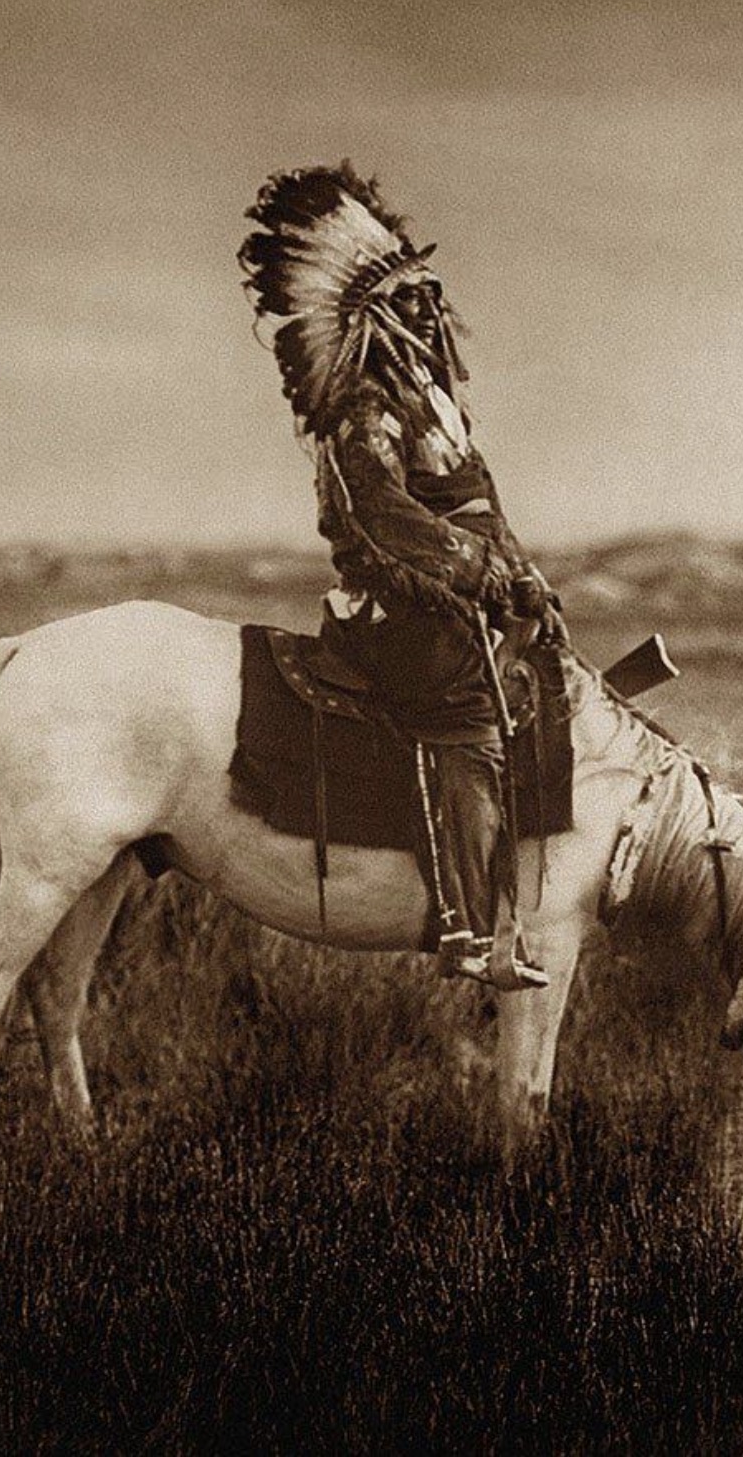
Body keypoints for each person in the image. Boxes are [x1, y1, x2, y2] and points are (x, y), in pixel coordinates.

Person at [239, 163, 564, 989]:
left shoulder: (437, 402)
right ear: (374, 319)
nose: (426, 309)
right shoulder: (363, 410)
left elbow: (480, 503)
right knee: (464, 712)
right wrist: (477, 570)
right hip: (401, 612)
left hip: (461, 596)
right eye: (406, 300)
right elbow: (379, 518)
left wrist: (524, 580)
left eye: (429, 293)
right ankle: (468, 928)